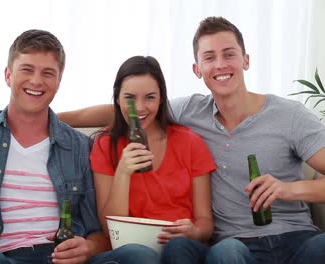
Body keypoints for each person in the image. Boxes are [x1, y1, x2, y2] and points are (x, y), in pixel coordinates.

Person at [58, 16, 325, 264]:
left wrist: (289, 190)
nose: (220, 65)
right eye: (210, 57)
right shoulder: (190, 112)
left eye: (228, 54)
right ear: (198, 69)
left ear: (246, 60)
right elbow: (130, 109)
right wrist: (50, 117)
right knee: (226, 251)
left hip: (298, 238)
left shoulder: (290, 115)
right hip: (234, 246)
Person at [0, 29, 113, 264]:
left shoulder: (79, 146)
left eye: (48, 73)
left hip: (60, 258)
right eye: (27, 69)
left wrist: (88, 248)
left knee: (137, 255)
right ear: (8, 75)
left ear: (58, 82)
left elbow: (97, 231)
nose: (36, 81)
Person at [87, 55, 215, 264]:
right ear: (117, 98)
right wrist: (123, 173)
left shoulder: (190, 142)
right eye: (130, 98)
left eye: (149, 97)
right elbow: (111, 231)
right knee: (141, 256)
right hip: (129, 254)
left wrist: (193, 231)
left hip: (180, 250)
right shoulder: (105, 145)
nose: (139, 108)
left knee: (178, 248)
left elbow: (206, 224)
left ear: (161, 98)